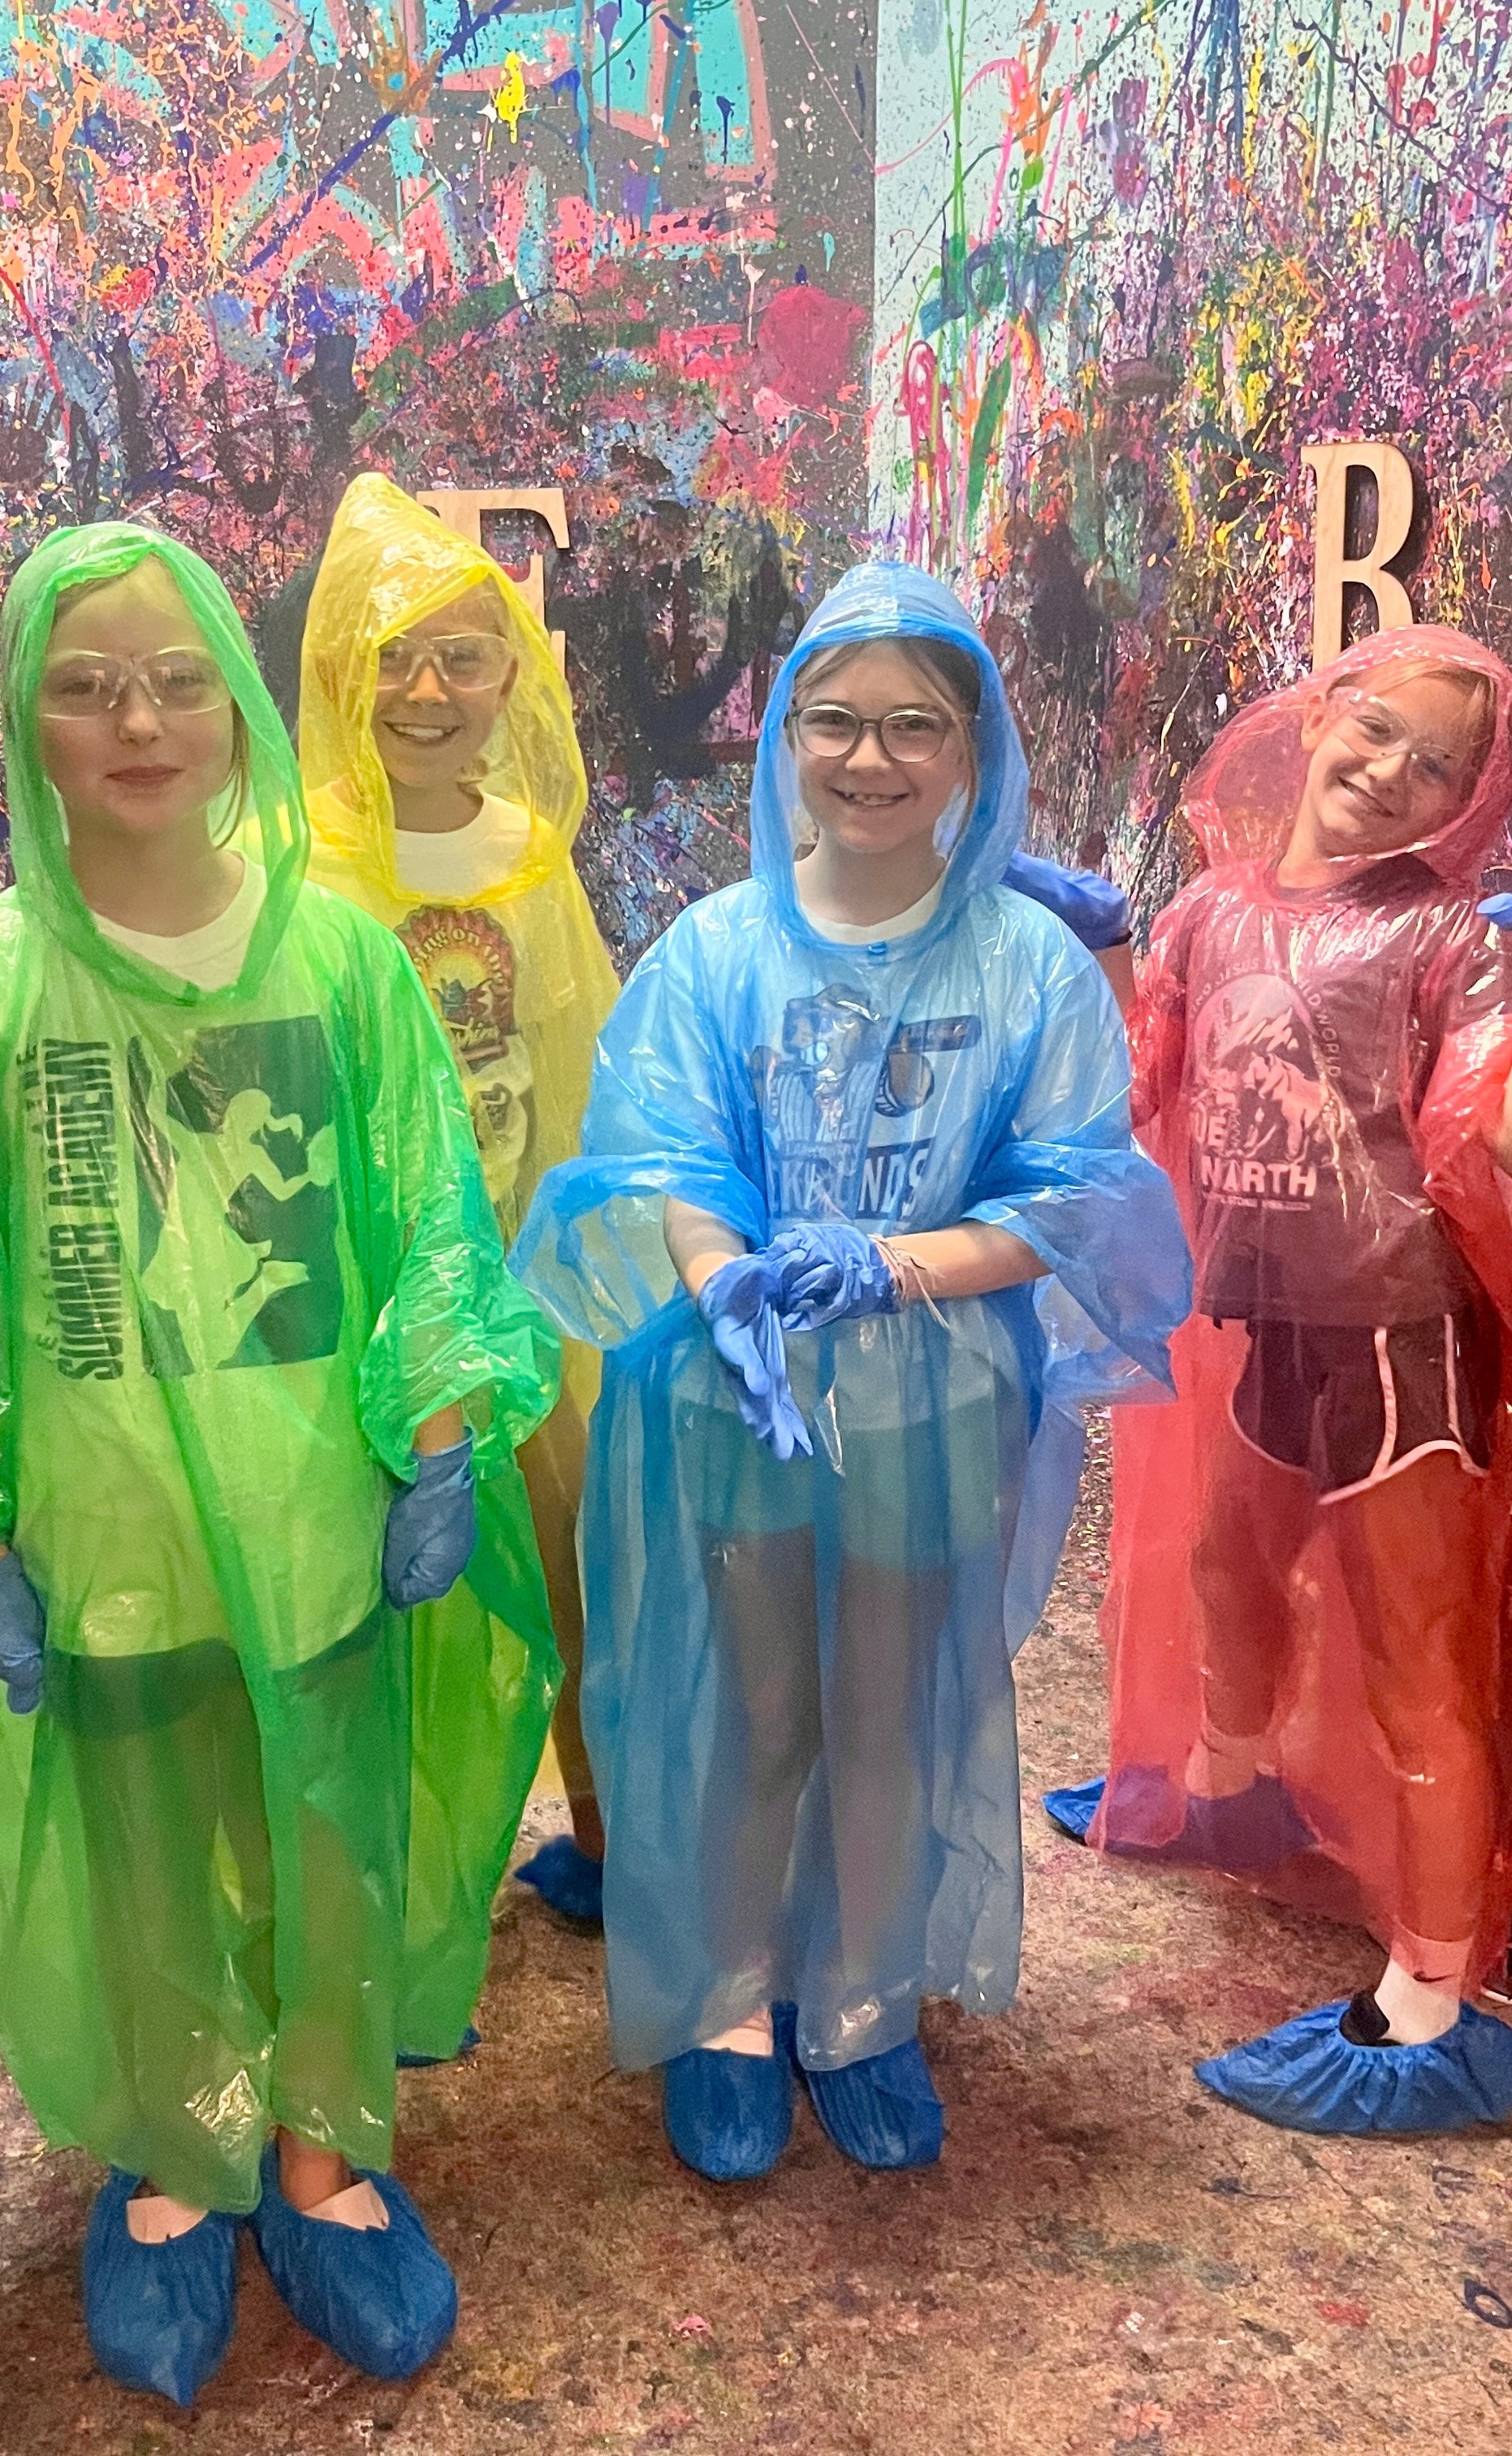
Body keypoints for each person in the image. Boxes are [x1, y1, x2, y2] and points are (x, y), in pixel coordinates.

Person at [0, 522, 562, 2401]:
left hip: (318, 1520)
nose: (138, 722)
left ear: (238, 708)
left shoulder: (340, 961)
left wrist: (438, 1441)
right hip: (107, 1538)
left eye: (174, 681)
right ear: (23, 722)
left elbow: (425, 1219)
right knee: (146, 1857)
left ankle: (322, 2148)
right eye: (85, 687)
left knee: (328, 1837)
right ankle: (175, 2152)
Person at [511, 562, 1189, 2181]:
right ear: (784, 736)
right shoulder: (714, 949)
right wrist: (725, 1282)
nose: (870, 758)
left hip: (931, 1403)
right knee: (756, 1711)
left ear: (973, 750)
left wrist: (897, 1265)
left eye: (914, 726)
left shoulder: (1024, 963)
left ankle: (865, 2002)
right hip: (739, 1399)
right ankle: (729, 2004)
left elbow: (1076, 1193)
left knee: (887, 1707)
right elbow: (670, 1152)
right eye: (835, 721)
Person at [1044, 625, 1512, 2133]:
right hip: (1267, 1325)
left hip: (1401, 1346)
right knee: (1229, 1564)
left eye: (1439, 765)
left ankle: (1426, 1996)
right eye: (1376, 730)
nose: (1390, 774)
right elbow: (1138, 1090)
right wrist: (1108, 954)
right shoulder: (1214, 910)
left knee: (1422, 1667)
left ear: (1467, 799)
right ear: (1318, 713)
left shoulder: (1447, 937)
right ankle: (1229, 1785)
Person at [298, 474, 621, 1926]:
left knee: (574, 1574)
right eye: (395, 658)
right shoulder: (292, 861)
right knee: (377, 1601)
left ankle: (611, 1846)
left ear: (510, 679)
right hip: (360, 1306)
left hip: (524, 1288)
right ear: (342, 673)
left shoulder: (528, 856)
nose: (427, 692)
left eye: (464, 658)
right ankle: (400, 1910)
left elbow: (576, 1062)